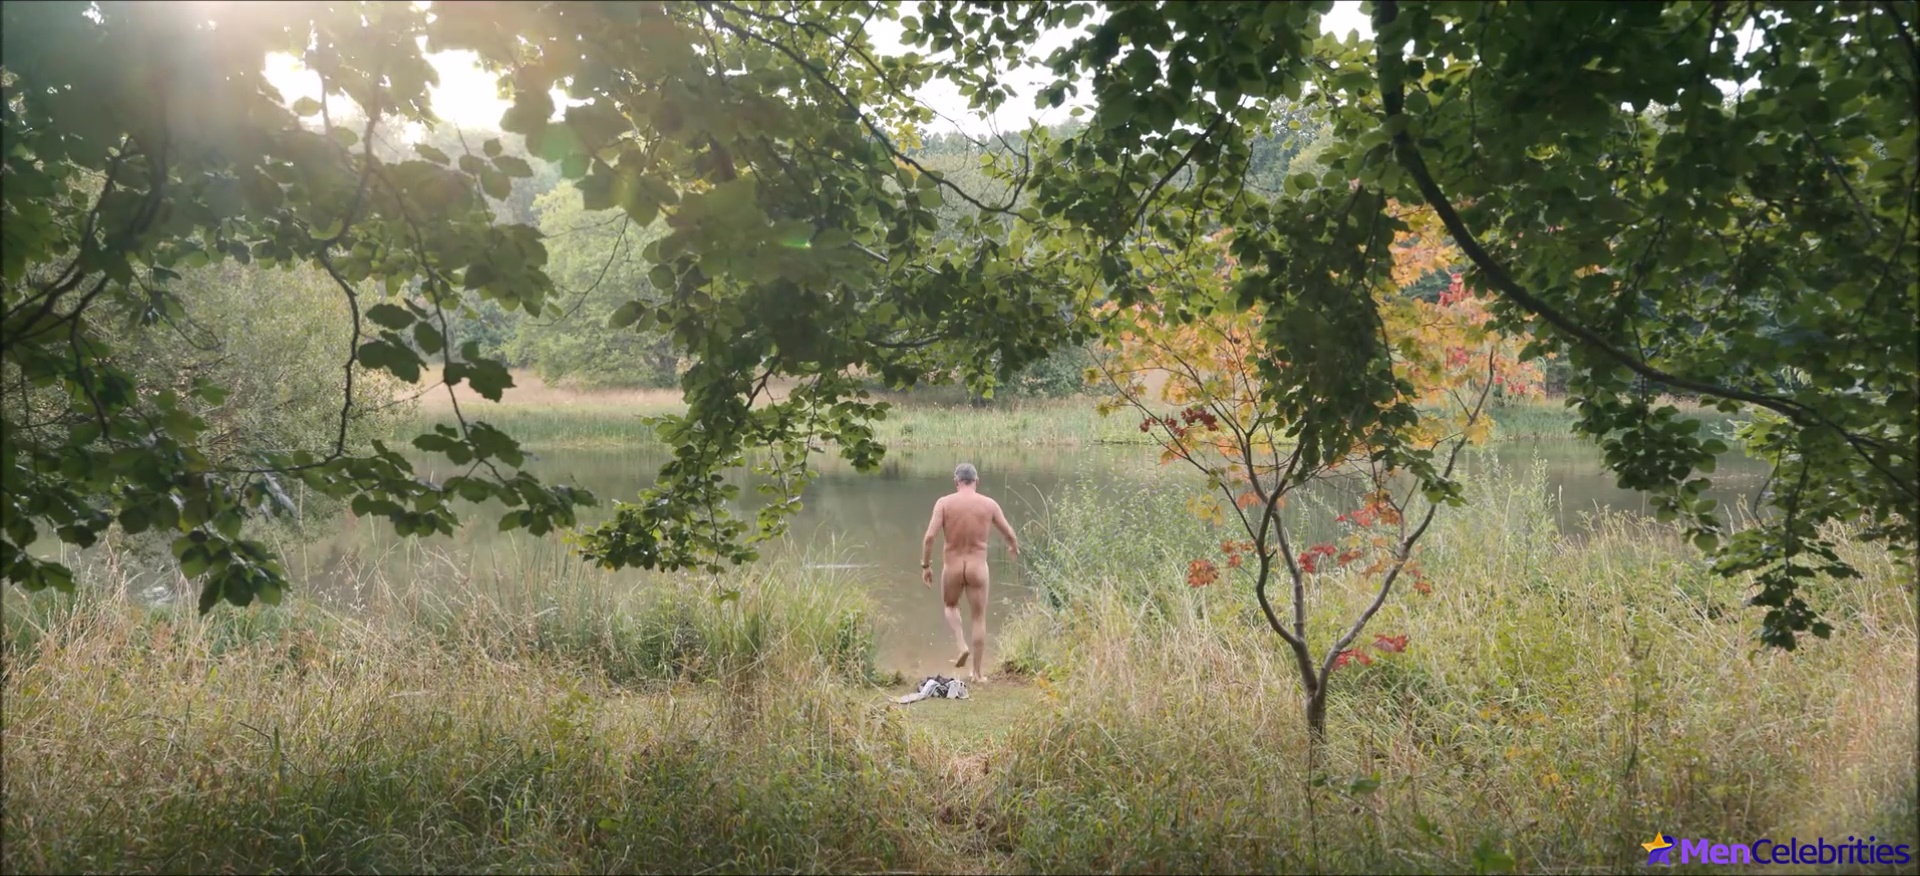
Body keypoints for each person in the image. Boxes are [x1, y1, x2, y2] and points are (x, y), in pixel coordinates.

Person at [920, 462, 1017, 684]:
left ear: (956, 482)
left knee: (950, 606)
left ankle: (961, 643)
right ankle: (978, 673)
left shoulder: (944, 503)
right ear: (976, 481)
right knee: (978, 617)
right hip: (978, 567)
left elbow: (929, 537)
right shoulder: (989, 505)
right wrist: (1013, 546)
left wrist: (926, 566)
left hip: (952, 566)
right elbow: (1008, 532)